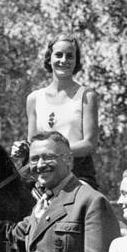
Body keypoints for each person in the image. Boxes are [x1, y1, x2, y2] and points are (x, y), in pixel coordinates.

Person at [14, 36, 101, 190]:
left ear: (76, 61)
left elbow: (90, 144)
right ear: (49, 58)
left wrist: (53, 153)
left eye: (70, 56)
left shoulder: (87, 96)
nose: (64, 60)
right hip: (42, 174)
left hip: (77, 173)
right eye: (59, 54)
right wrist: (22, 148)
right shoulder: (34, 98)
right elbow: (33, 143)